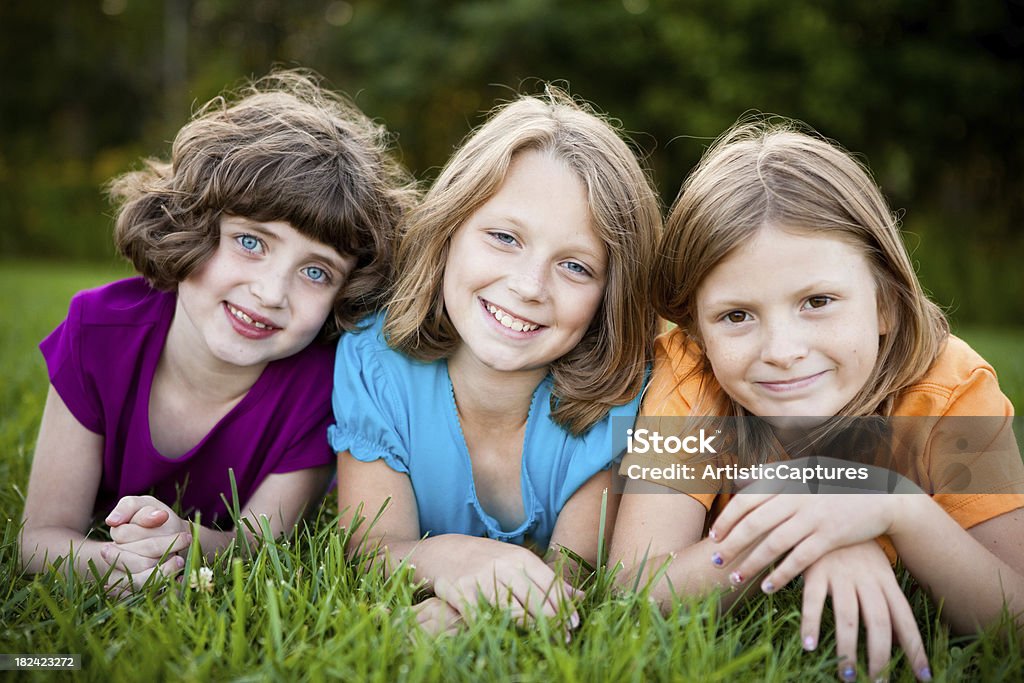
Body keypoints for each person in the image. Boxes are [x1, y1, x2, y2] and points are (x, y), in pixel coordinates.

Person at [610, 118, 1024, 681]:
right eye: (736, 316)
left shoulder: (951, 387)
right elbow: (633, 593)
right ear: (699, 332)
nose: (782, 351)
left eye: (818, 301)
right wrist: (802, 525)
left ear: (886, 303)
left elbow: (1012, 621)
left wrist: (894, 505)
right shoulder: (693, 377)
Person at [19, 69, 416, 594]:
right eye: (251, 242)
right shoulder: (99, 331)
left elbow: (258, 545)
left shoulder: (322, 386)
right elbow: (40, 537)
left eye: (315, 272)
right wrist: (102, 563)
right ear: (192, 227)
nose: (272, 292)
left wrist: (183, 543)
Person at [331, 87, 661, 636]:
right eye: (505, 237)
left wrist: (466, 610)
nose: (529, 286)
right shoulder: (375, 360)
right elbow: (370, 547)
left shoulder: (625, 403)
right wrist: (456, 560)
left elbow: (567, 584)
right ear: (449, 230)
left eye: (575, 266)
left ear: (611, 294)